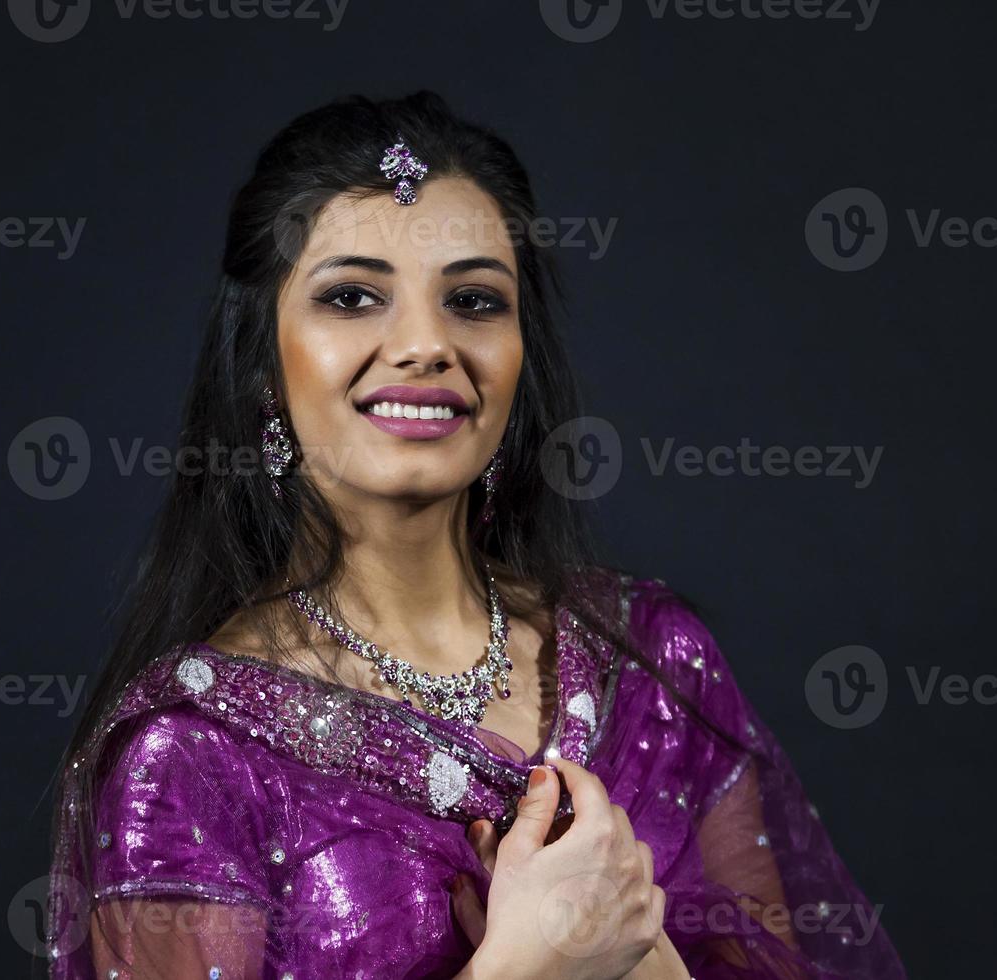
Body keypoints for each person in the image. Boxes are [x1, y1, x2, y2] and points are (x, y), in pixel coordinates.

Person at [47, 91, 906, 979]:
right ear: (265, 360)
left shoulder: (652, 665)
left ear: (518, 357)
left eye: (472, 300)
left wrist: (645, 965)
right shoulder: (193, 757)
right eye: (351, 296)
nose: (425, 342)